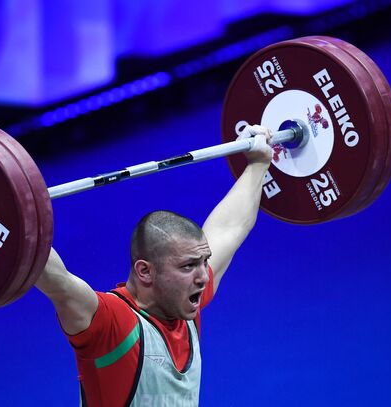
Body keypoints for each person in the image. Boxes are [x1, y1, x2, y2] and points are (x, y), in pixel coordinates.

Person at [36, 125, 274, 406]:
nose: (202, 277)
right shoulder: (112, 324)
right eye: (187, 267)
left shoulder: (182, 302)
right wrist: (13, 215)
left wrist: (259, 164)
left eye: (203, 262)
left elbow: (230, 228)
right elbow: (56, 281)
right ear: (145, 271)